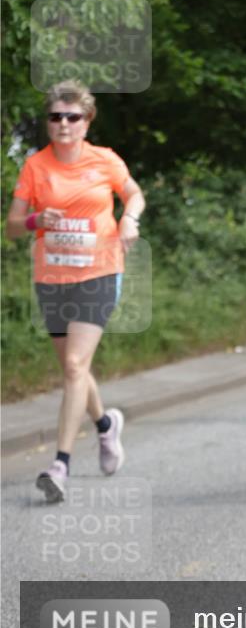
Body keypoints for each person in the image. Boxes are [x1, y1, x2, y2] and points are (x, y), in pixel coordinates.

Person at [6, 80, 145, 502]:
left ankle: (60, 464)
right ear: (48, 123)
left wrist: (129, 219)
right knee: (74, 368)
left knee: (73, 367)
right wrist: (36, 221)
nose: (63, 124)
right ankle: (106, 425)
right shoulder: (35, 167)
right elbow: (13, 225)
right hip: (52, 277)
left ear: (87, 122)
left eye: (73, 117)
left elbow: (134, 194)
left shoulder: (105, 161)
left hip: (99, 272)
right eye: (55, 117)